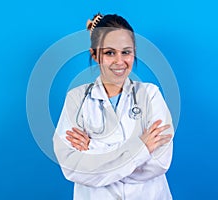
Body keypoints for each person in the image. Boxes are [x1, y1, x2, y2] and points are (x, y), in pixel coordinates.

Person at [53, 13, 174, 200]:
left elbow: (159, 162)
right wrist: (141, 148)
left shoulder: (151, 95)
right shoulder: (76, 99)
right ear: (95, 55)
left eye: (126, 52)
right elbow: (72, 167)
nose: (119, 61)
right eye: (110, 53)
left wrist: (94, 149)